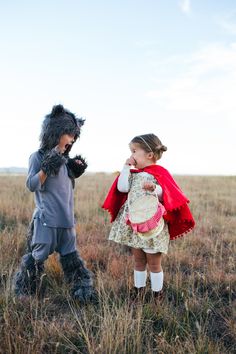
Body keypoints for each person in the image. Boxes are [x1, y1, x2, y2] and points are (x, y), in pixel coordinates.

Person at [14, 104, 97, 303]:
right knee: (35, 259)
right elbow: (32, 184)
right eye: (70, 134)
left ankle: (83, 294)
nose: (73, 139)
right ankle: (24, 292)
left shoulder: (66, 160)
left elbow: (65, 189)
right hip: (46, 221)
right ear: (56, 132)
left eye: (75, 135)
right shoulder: (38, 157)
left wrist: (74, 169)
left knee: (72, 260)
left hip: (67, 221)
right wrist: (47, 166)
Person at [102, 133, 195, 302]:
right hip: (135, 224)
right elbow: (122, 188)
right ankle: (139, 291)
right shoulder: (133, 173)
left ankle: (157, 294)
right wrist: (125, 168)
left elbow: (166, 194)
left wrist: (155, 189)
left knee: (154, 264)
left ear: (149, 155)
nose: (131, 155)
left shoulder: (159, 173)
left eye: (134, 151)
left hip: (153, 226)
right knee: (138, 261)